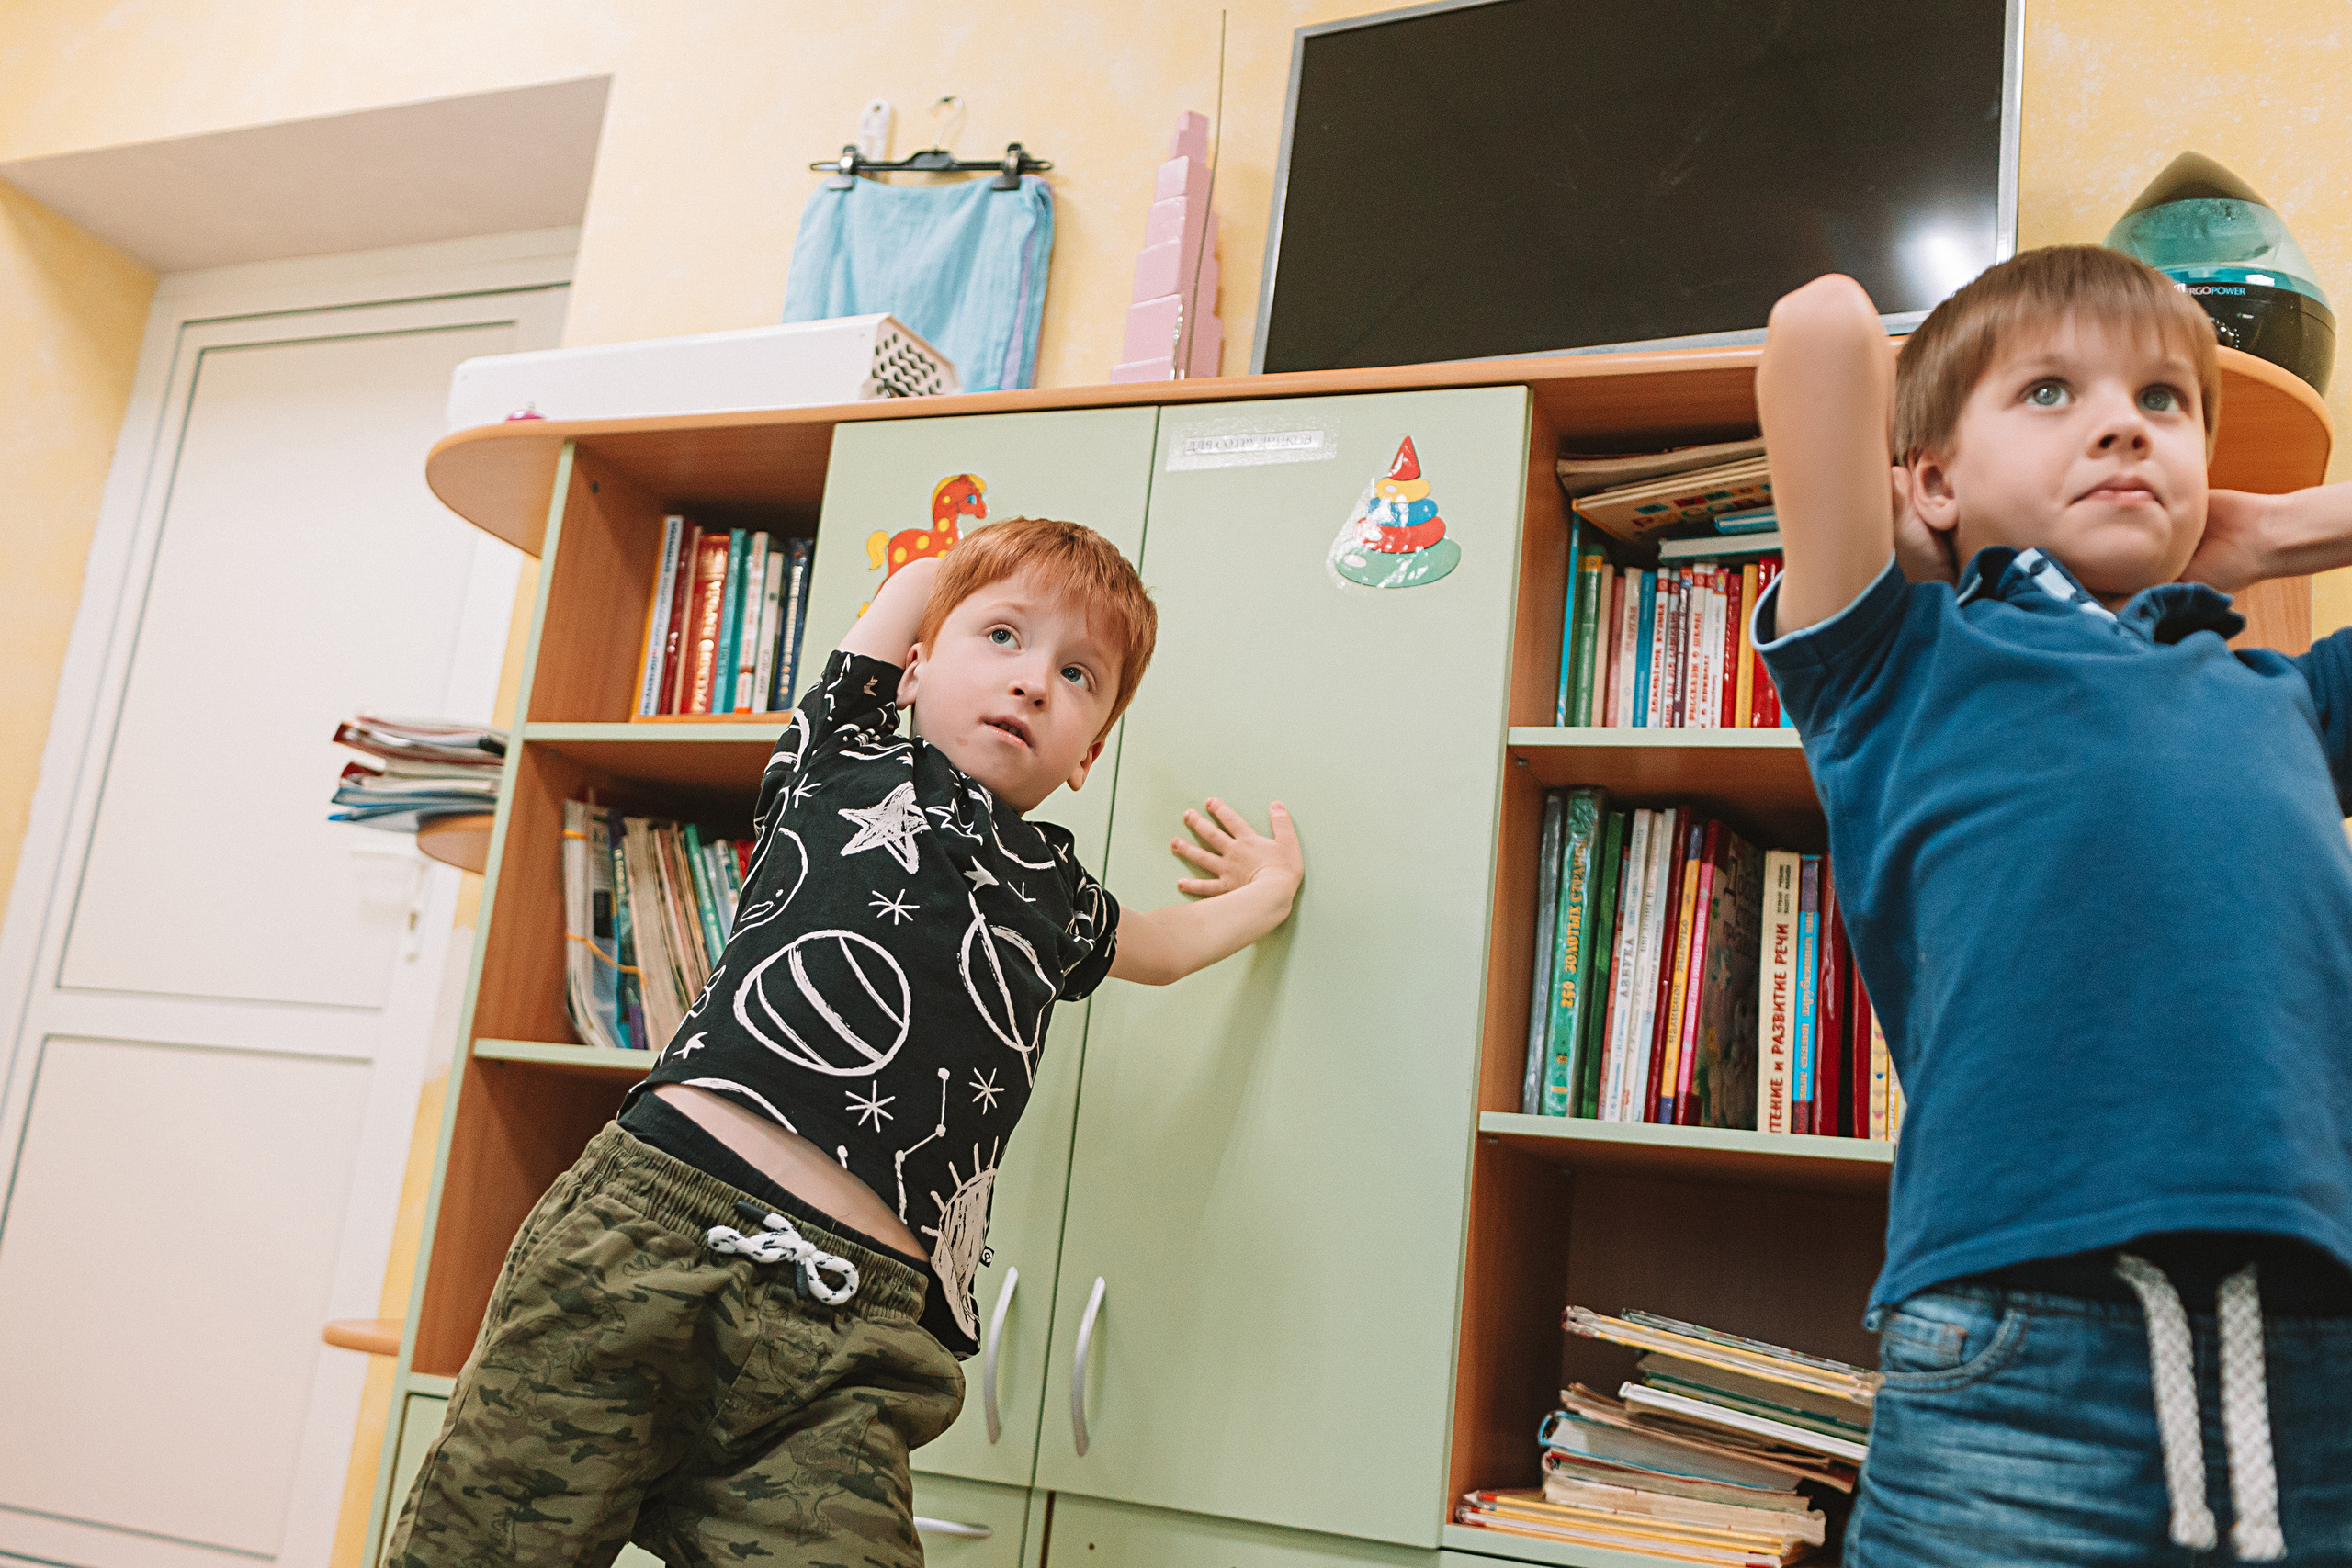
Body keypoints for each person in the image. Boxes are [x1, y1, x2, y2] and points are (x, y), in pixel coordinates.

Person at [387, 516, 1303, 1567]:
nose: (1035, 682)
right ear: (913, 669)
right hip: (645, 1235)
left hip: (853, 1333)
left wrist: (1268, 894)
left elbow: (1168, 945)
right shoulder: (842, 759)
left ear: (1090, 753)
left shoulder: (1057, 895)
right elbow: (900, 611)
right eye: (1001, 637)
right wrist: (954, 568)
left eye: (1078, 674)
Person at [1754, 244, 2352, 1565]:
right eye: (2048, 393)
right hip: (2018, 1337)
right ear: (1931, 479)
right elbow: (1822, 326)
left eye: (2164, 399)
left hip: (2319, 1348)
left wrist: (2268, 529)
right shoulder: (1899, 664)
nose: (2126, 420)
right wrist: (1903, 511)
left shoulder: (2286, 695)